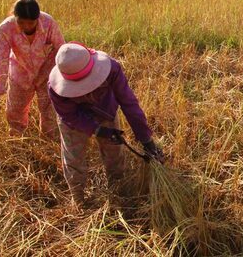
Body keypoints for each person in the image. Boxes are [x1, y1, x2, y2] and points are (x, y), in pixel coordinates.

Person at [48, 42, 164, 206]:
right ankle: (78, 199)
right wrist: (96, 130)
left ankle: (118, 192)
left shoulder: (112, 70)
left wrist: (146, 140)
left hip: (105, 112)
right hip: (74, 121)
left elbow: (128, 103)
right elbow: (68, 115)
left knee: (114, 154)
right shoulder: (55, 89)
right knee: (73, 158)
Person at [0, 0, 64, 139]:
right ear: (14, 17)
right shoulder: (6, 28)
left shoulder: (48, 23)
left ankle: (50, 144)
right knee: (15, 112)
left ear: (38, 18)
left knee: (50, 112)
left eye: (31, 23)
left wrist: (64, 80)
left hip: (47, 73)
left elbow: (62, 49)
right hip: (20, 72)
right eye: (21, 22)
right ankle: (17, 142)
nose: (26, 26)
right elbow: (1, 61)